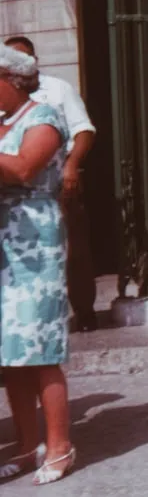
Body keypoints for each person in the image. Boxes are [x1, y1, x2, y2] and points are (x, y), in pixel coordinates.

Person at [0, 44, 76, 484]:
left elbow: (26, 167)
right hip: (4, 243)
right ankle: (28, 445)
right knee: (11, 351)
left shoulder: (43, 117)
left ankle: (61, 446)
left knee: (40, 346)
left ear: (11, 79)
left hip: (36, 241)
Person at [4, 36, 98, 333]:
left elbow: (83, 129)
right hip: (12, 211)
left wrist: (71, 166)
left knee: (76, 250)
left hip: (50, 187)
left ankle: (84, 310)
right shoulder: (7, 109)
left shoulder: (57, 91)